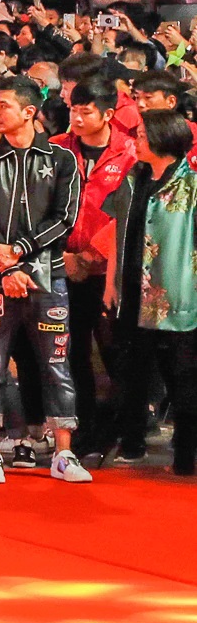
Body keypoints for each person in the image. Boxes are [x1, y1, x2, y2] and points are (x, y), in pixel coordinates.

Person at [0, 75, 89, 484]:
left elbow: (65, 219)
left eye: (2, 106)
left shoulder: (63, 160)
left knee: (57, 364)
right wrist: (6, 265)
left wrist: (17, 251)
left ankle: (64, 453)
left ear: (29, 112)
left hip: (47, 277)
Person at [53, 74, 138, 464]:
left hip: (109, 272)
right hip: (61, 267)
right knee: (70, 355)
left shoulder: (130, 153)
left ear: (107, 114)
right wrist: (65, 257)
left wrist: (90, 257)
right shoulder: (55, 149)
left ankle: (121, 430)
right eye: (73, 110)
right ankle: (82, 429)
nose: (77, 119)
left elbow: (126, 215)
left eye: (86, 112)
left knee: (116, 354)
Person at [111, 110, 197, 474]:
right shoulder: (132, 179)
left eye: (144, 134)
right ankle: (132, 442)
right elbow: (115, 232)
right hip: (132, 291)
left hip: (179, 294)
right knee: (132, 370)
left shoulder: (191, 186)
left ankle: (185, 449)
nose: (137, 140)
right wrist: (110, 283)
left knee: (183, 376)